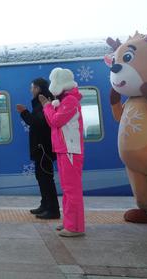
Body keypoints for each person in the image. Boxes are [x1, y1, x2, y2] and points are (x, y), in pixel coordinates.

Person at [40, 68, 85, 237]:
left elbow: (55, 121)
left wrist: (46, 107)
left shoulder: (70, 100)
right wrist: (50, 107)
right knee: (67, 188)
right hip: (64, 148)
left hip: (70, 149)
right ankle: (69, 222)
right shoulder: (65, 100)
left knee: (72, 189)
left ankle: (75, 227)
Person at [16, 78, 60, 219]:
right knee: (41, 177)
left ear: (39, 88)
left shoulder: (45, 102)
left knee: (46, 178)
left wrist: (24, 113)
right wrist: (25, 113)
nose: (31, 90)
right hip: (39, 148)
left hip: (44, 148)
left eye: (32, 87)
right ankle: (45, 204)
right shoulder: (38, 104)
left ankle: (53, 210)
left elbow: (39, 123)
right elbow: (34, 122)